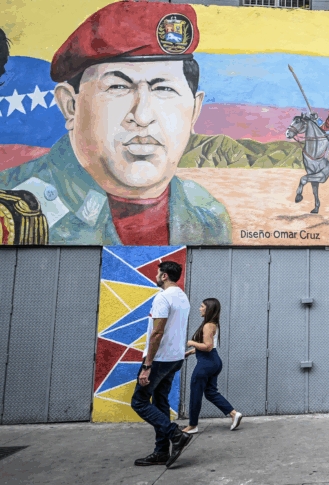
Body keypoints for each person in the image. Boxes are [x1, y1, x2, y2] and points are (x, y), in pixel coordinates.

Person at [0, 2, 233, 245]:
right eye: (118, 87)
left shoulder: (209, 216)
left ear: (194, 110)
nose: (142, 116)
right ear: (70, 106)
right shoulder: (12, 211)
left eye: (164, 88)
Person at [131, 261, 192, 468]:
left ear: (164, 276)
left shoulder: (162, 297)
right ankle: (161, 452)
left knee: (139, 402)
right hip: (174, 358)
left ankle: (175, 434)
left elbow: (157, 333)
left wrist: (147, 365)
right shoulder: (183, 297)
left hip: (158, 360)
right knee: (160, 402)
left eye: (158, 273)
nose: (156, 276)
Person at [182, 298, 243, 434]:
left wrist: (192, 343)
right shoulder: (213, 324)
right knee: (210, 392)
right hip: (214, 362)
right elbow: (211, 345)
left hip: (206, 364)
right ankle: (234, 414)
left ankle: (192, 425)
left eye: (202, 306)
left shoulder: (208, 325)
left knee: (196, 393)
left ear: (208, 309)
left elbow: (207, 346)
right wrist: (191, 352)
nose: (199, 308)